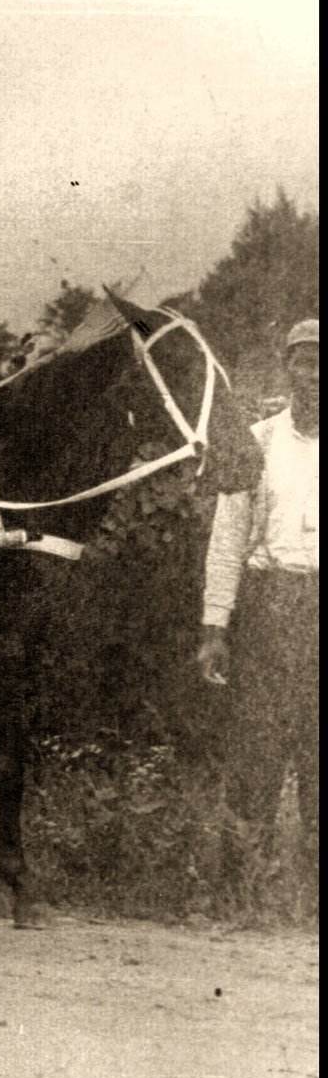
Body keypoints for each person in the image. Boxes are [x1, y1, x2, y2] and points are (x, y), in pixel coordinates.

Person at [197, 317, 318, 878]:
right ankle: (239, 880)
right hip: (270, 605)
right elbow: (226, 542)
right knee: (257, 741)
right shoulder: (257, 442)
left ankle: (310, 888)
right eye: (306, 362)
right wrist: (215, 628)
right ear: (287, 368)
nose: (315, 375)